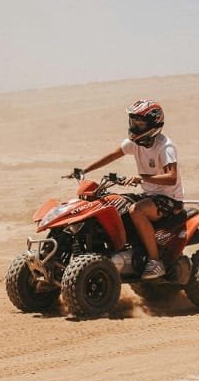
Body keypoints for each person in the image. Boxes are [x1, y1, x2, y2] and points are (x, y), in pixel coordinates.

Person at [69, 99, 184, 279]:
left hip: (169, 199)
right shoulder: (135, 143)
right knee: (112, 203)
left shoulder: (164, 146)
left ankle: (155, 261)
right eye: (133, 122)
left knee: (136, 210)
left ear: (154, 124)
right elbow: (112, 155)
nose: (135, 127)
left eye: (140, 123)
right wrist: (85, 170)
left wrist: (141, 178)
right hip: (149, 195)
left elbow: (171, 178)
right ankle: (124, 250)